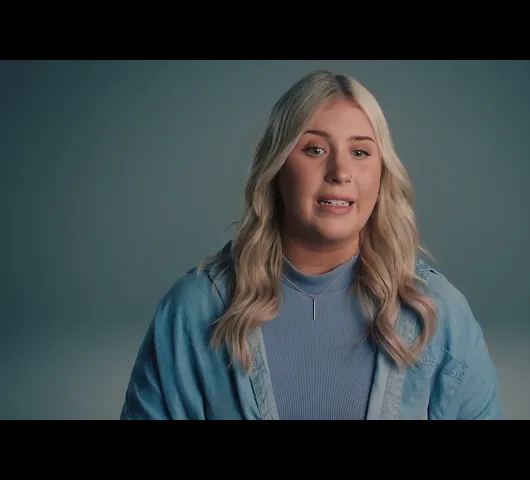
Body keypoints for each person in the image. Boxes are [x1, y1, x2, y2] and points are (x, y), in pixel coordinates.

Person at [119, 70, 504, 420]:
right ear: (276, 169)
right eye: (315, 150)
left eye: (360, 152)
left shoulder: (439, 314)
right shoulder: (194, 309)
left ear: (382, 175)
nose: (340, 172)